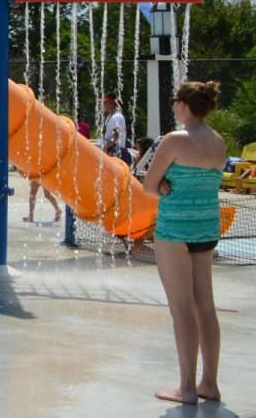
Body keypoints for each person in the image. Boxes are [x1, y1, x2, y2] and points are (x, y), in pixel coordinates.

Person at [143, 80, 227, 405]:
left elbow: (149, 185)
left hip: (175, 230)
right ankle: (210, 384)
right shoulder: (218, 141)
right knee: (205, 305)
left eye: (174, 101)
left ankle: (187, 388)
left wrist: (162, 182)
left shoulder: (174, 140)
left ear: (184, 105)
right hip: (206, 228)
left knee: (181, 310)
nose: (173, 106)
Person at [101, 96, 131, 165]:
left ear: (110, 104)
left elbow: (116, 134)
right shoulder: (111, 116)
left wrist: (106, 147)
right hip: (114, 150)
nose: (102, 105)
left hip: (116, 151)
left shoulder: (116, 117)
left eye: (104, 103)